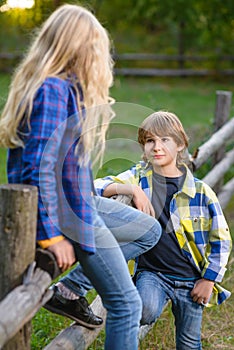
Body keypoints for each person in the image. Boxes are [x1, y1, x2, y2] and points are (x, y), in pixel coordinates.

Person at [0, 5, 162, 349]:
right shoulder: (53, 91)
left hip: (79, 207)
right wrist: (50, 237)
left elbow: (66, 169)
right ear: (80, 47)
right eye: (96, 47)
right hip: (68, 217)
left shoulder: (65, 90)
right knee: (126, 303)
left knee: (149, 229)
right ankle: (71, 287)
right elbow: (38, 168)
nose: (101, 57)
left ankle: (71, 286)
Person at [94, 111, 232, 349]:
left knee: (189, 342)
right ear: (143, 147)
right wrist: (131, 190)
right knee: (144, 310)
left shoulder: (201, 192)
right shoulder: (138, 178)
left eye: (164, 140)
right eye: (150, 141)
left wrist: (209, 280)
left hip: (192, 279)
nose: (157, 147)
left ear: (180, 145)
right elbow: (95, 187)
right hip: (153, 274)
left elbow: (222, 239)